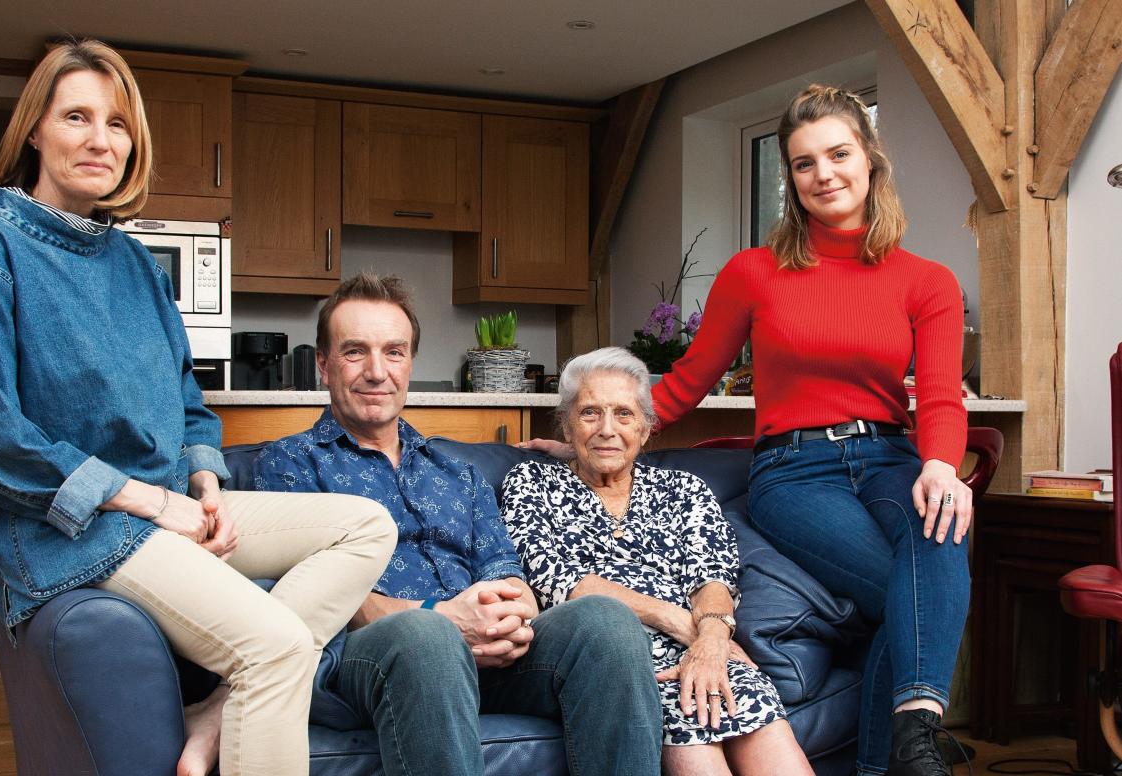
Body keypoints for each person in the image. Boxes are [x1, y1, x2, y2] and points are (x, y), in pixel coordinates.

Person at [0, 40, 396, 776]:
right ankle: (244, 695)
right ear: (34, 131)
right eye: (76, 116)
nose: (99, 139)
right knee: (272, 648)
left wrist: (204, 483)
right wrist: (142, 500)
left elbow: (185, 399)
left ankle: (217, 711)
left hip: (164, 504)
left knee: (365, 523)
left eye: (117, 123)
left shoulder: (135, 264)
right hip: (69, 531)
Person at [527, 84, 971, 776]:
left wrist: (941, 465)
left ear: (869, 160)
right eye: (802, 164)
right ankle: (907, 756)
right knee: (912, 595)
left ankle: (912, 735)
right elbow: (686, 380)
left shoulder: (927, 281)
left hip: (890, 456)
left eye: (837, 154)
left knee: (943, 527)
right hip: (794, 472)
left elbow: (942, 395)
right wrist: (599, 437)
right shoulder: (753, 272)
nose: (823, 174)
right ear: (790, 183)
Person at [253, 272, 664, 776]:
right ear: (323, 364)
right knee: (428, 638)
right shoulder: (289, 465)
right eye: (355, 351)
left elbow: (508, 571)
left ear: (410, 363)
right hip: (375, 657)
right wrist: (441, 616)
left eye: (395, 352)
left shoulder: (458, 473)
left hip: (487, 655)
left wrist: (506, 618)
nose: (377, 372)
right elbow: (312, 593)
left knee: (606, 621)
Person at [501, 347, 814, 776]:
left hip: (702, 651)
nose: (607, 429)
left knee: (745, 695)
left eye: (624, 415)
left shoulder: (683, 489)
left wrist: (711, 639)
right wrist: (678, 622)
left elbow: (715, 577)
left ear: (646, 430)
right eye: (590, 413)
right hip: (614, 662)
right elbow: (557, 581)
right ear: (567, 425)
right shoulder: (531, 483)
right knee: (688, 709)